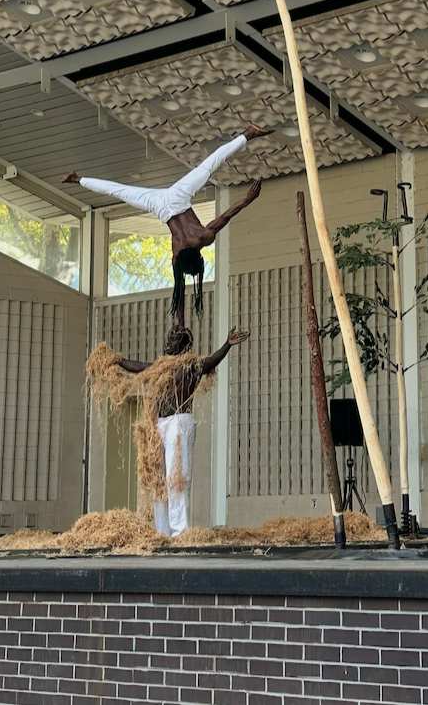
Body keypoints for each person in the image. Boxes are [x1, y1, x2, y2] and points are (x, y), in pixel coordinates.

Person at [61, 124, 273, 324]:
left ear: (198, 259)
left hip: (178, 198)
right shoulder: (176, 253)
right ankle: (77, 179)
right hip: (160, 207)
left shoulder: (203, 239)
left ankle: (248, 133)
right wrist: (180, 322)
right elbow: (178, 289)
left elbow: (226, 216)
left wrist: (247, 199)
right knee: (119, 191)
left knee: (210, 165)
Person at [116, 324, 249, 537]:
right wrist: (117, 360)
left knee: (176, 478)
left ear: (184, 344)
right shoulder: (162, 366)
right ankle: (162, 533)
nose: (169, 341)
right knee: (158, 480)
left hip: (179, 422)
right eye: (169, 337)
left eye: (174, 338)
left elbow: (211, 361)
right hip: (160, 424)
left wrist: (227, 344)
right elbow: (139, 366)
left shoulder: (192, 365)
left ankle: (179, 533)